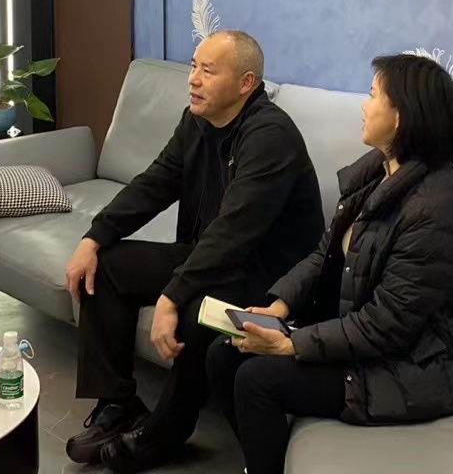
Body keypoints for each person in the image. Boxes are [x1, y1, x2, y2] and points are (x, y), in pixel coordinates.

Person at [207, 53, 453, 474]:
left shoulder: (436, 208)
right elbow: (324, 254)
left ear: (402, 117)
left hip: (425, 363)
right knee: (223, 354)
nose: (364, 105)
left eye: (373, 95)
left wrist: (291, 345)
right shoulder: (377, 173)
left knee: (258, 380)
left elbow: (388, 325)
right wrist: (279, 308)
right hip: (371, 334)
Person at [63, 30, 326, 471]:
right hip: (208, 257)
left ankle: (165, 433)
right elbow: (154, 183)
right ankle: (117, 405)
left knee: (196, 311)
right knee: (105, 267)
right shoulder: (197, 121)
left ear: (245, 83)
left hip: (266, 277)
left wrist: (172, 296)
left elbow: (234, 232)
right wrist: (94, 237)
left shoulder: (270, 137)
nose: (193, 79)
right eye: (193, 66)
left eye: (208, 70)